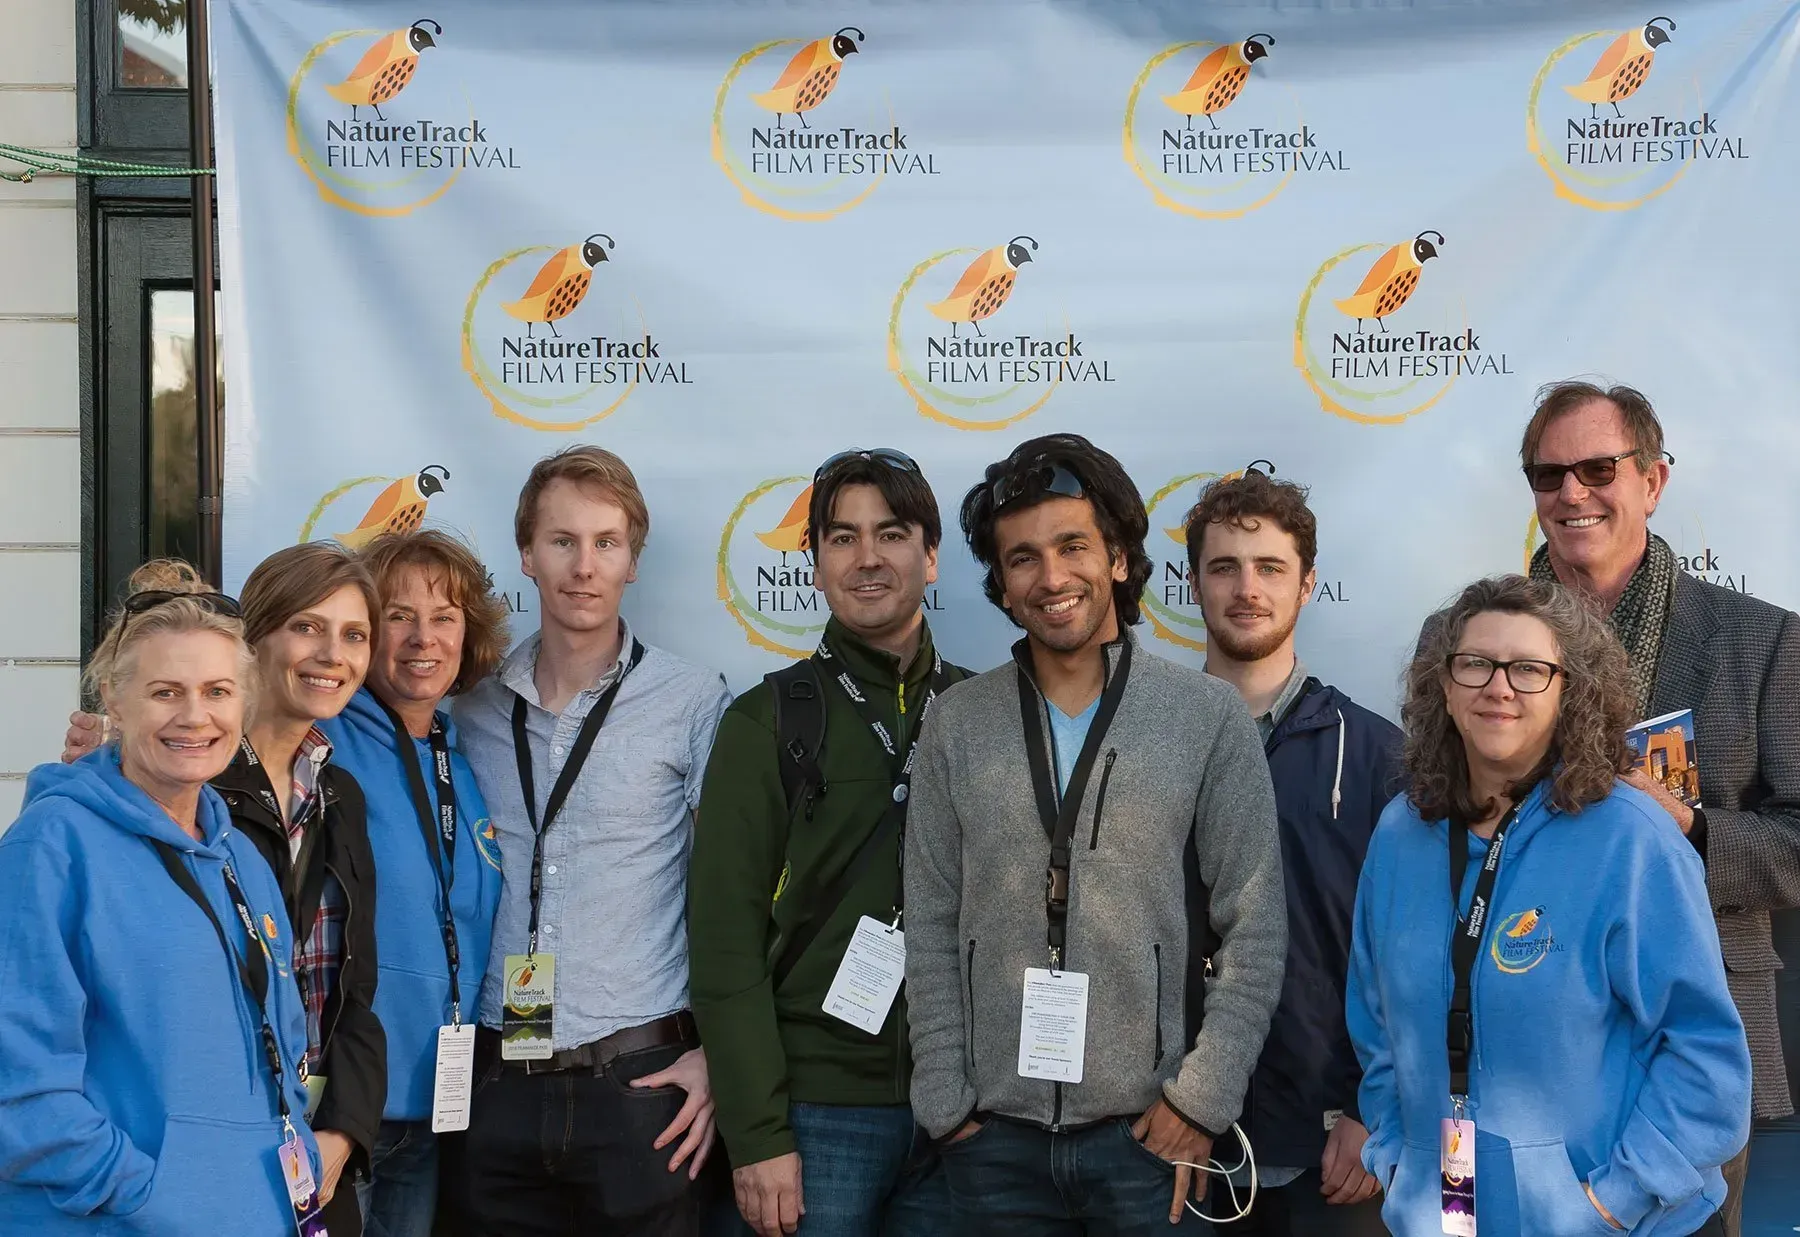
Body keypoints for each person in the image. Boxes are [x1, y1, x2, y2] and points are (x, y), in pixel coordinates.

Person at [903, 432, 1288, 1234]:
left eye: (1073, 545)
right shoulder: (956, 723)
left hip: (1148, 1140)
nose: (1051, 577)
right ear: (1003, 586)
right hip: (991, 1145)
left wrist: (1202, 1100)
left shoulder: (1206, 717)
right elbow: (930, 924)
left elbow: (1256, 926)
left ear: (1116, 556)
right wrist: (943, 1101)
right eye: (1022, 558)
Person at [1349, 574, 1750, 1236]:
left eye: (1530, 668)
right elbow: (1374, 1023)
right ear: (1443, 687)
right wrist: (1401, 1162)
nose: (1499, 686)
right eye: (1476, 663)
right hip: (1453, 1210)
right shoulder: (1400, 833)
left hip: (1616, 1221)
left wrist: (1610, 1203)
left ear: (1570, 691)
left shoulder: (1630, 837)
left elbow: (1705, 1057)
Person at [1520, 380, 1798, 1235]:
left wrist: (1691, 827)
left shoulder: (1764, 639)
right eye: (1547, 472)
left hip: (1696, 1047)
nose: (1572, 492)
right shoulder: (1483, 643)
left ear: (1653, 481)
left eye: (1598, 467)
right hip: (1527, 1034)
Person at [62, 541, 388, 1236]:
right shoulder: (173, 784)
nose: (331, 653)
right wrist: (147, 1188)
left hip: (288, 1159)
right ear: (257, 639)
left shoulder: (338, 793)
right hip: (171, 1187)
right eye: (307, 625)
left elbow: (353, 990)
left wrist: (340, 1133)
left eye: (353, 634)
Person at [447, 445, 733, 1235]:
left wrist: (722, 1059)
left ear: (633, 561)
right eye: (563, 541)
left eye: (606, 542)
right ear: (527, 555)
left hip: (643, 1086)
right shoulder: (466, 708)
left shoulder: (691, 700)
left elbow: (737, 898)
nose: (584, 565)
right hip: (496, 1078)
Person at [690, 448, 968, 1237]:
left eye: (891, 533)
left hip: (960, 1117)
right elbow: (723, 947)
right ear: (813, 564)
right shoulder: (766, 720)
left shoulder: (984, 713)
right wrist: (759, 1135)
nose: (868, 557)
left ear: (931, 554)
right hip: (814, 1120)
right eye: (842, 538)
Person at [0, 561, 319, 1233]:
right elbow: (19, 1080)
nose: (195, 716)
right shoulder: (51, 846)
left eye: (218, 690)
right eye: (166, 692)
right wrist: (146, 1191)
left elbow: (283, 1048)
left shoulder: (243, 859)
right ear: (115, 700)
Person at [1182, 467, 1394, 1233]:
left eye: (1271, 567)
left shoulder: (1375, 755)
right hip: (1176, 1140)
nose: (1248, 588)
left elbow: (1414, 956)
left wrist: (1377, 1109)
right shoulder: (1143, 743)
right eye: (1225, 567)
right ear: (1192, 583)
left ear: (1307, 585)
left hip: (1334, 1145)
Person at [331, 531, 508, 1237]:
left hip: (431, 1104)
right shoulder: (322, 738)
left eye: (444, 617)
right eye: (397, 615)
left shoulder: (461, 757)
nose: (421, 638)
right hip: (342, 1105)